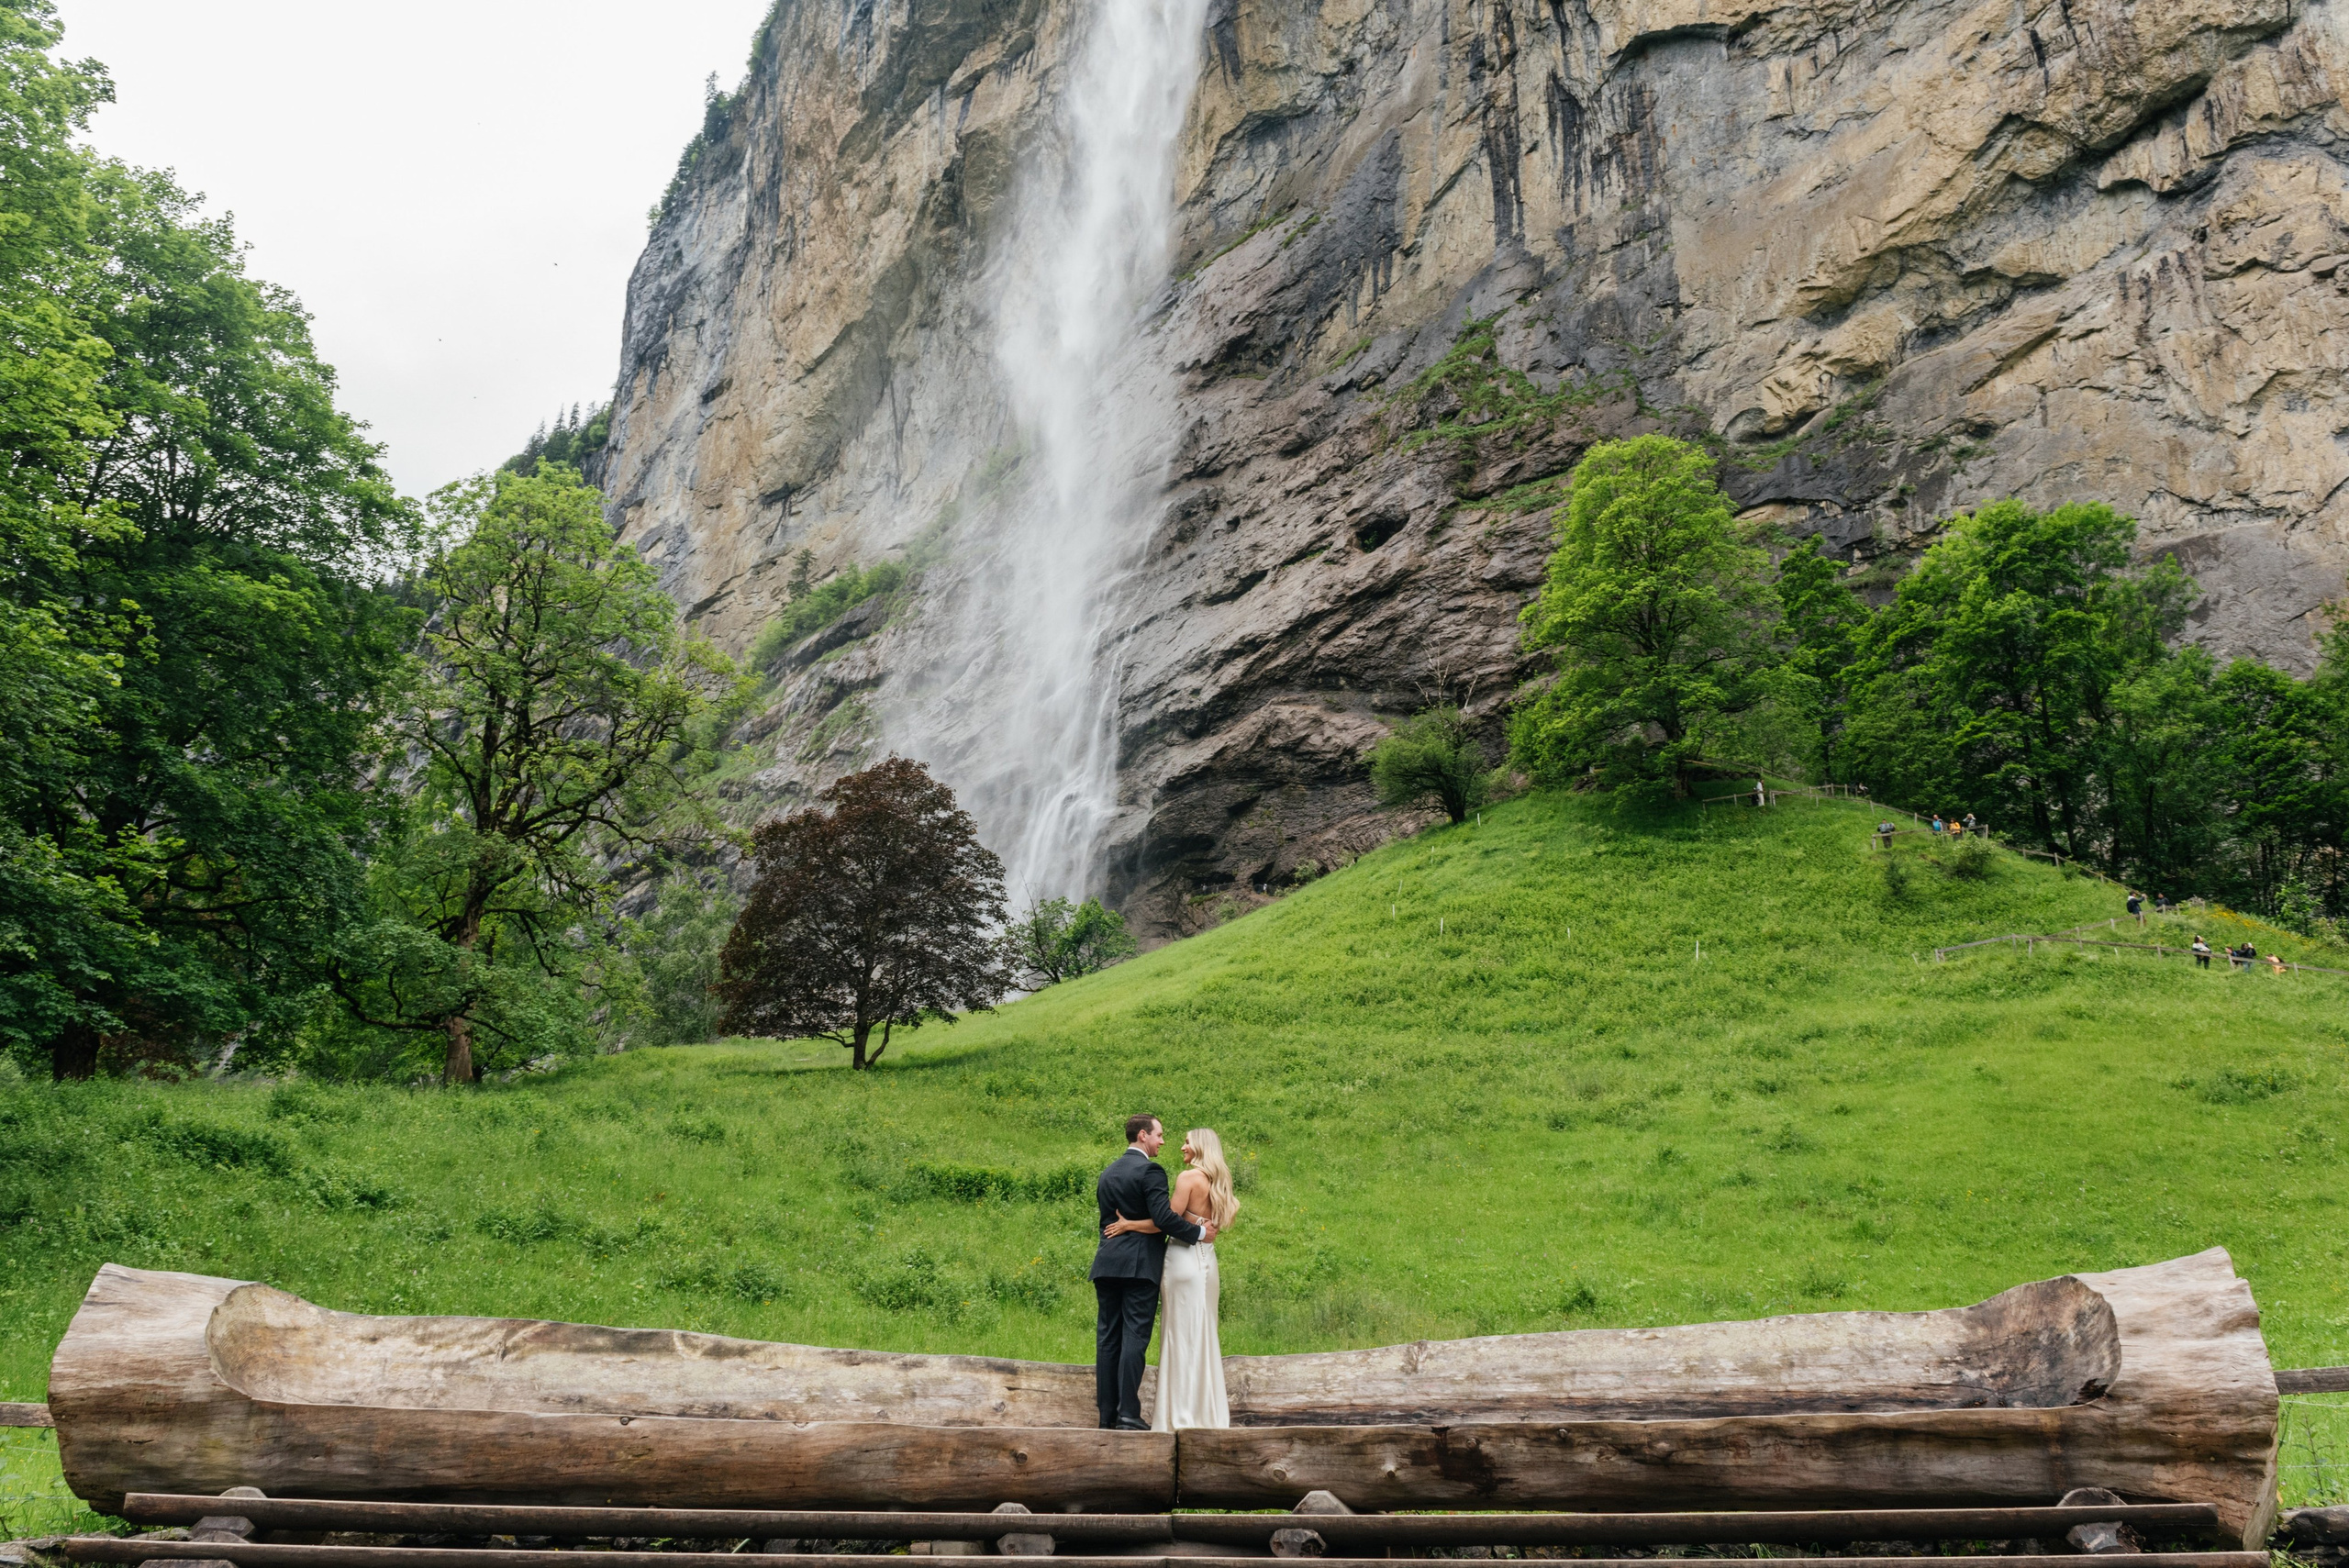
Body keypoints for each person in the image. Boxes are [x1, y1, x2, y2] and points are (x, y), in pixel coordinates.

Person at [1105, 1128, 1241, 1431]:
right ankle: (1206, 1413)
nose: (1182, 1147)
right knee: (1203, 1334)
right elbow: (1203, 1224)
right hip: (1208, 1262)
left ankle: (1179, 1414)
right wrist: (1199, 1226)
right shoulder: (1219, 1182)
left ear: (1200, 1147)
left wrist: (1128, 1225)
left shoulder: (1188, 1178)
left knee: (1179, 1336)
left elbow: (1164, 1222)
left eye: (1187, 1142)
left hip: (1183, 1260)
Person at [1090, 1115, 1210, 1430]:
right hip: (1139, 1267)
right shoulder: (1150, 1171)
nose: (1163, 1141)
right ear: (1143, 1135)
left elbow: (1106, 1221)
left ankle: (1107, 1416)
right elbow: (1164, 1218)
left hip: (1106, 1263)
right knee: (1134, 1336)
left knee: (1107, 1338)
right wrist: (1200, 1233)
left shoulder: (1108, 1172)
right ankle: (1128, 1414)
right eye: (1159, 1135)